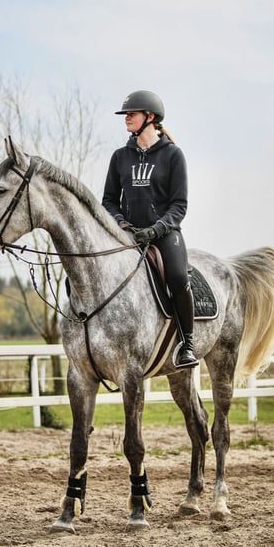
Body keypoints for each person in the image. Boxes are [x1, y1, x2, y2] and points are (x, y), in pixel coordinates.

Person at [102, 90, 199, 369]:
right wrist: (121, 222)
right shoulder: (120, 157)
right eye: (125, 115)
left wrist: (157, 229)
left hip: (165, 234)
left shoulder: (173, 155)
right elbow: (109, 200)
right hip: (128, 235)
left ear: (151, 117)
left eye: (131, 114)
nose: (126, 118)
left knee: (179, 278)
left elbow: (179, 205)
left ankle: (186, 344)